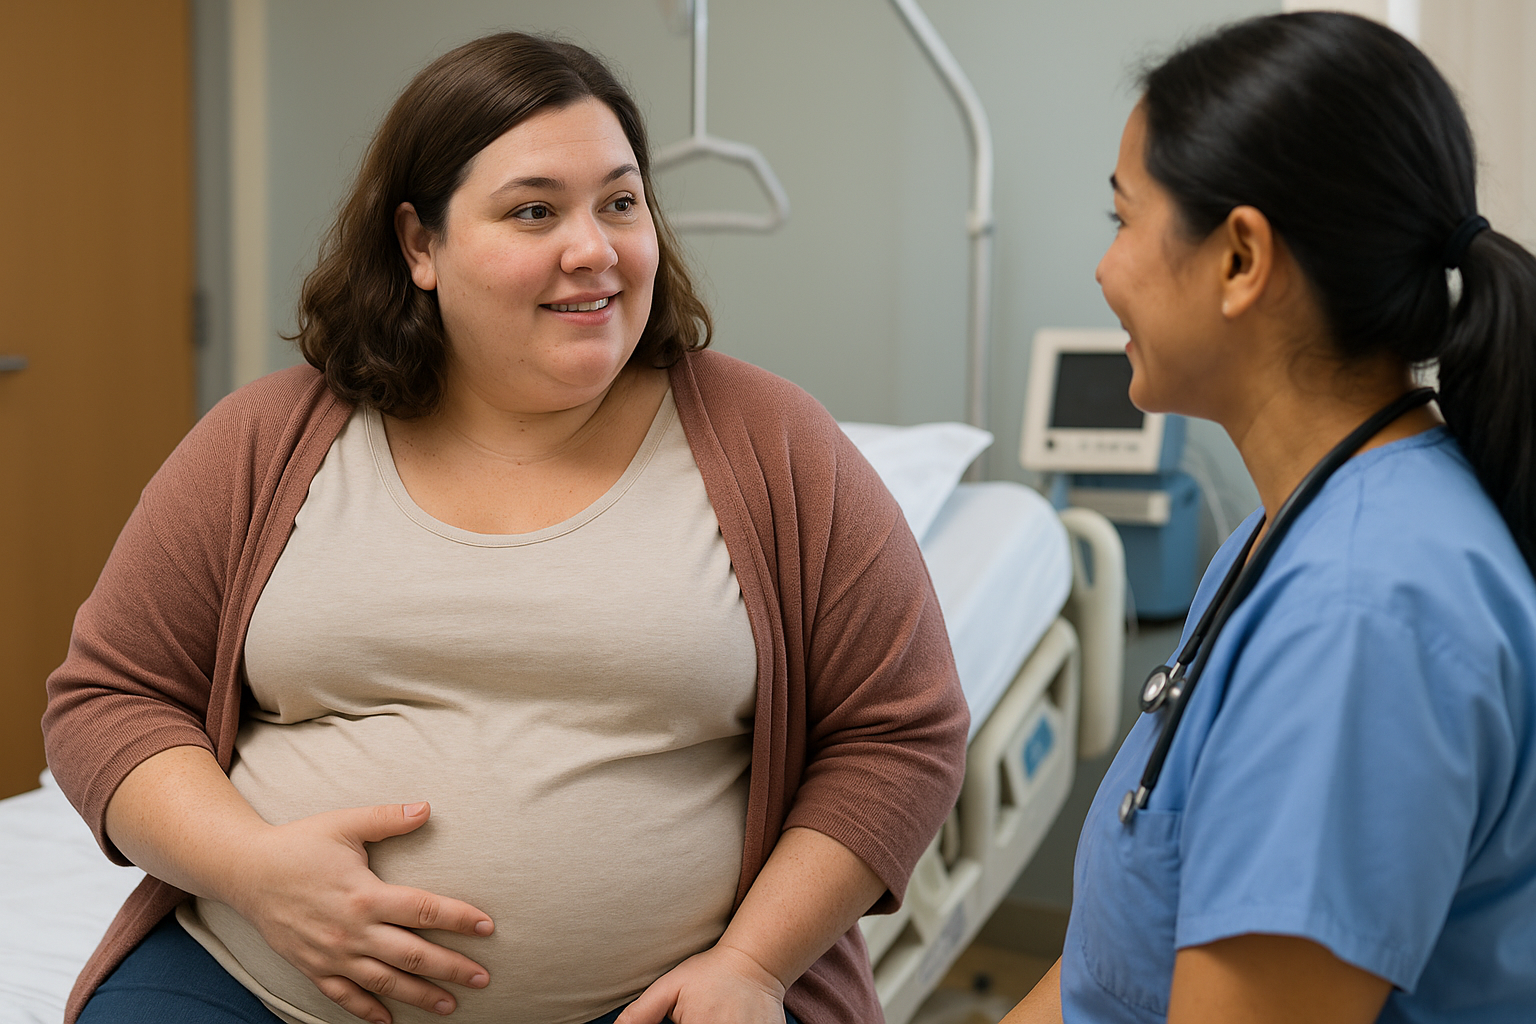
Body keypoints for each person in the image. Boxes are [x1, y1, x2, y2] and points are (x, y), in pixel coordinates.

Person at [42, 32, 969, 1024]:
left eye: (621, 201)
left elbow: (900, 733)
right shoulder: (267, 441)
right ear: (420, 245)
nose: (595, 248)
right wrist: (256, 870)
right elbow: (109, 700)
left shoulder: (773, 444)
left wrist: (751, 963)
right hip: (250, 985)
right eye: (536, 210)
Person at [1004, 12, 1536, 1024]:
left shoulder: (1361, 614)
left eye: (1124, 220)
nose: (1105, 270)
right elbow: (1097, 981)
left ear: (1242, 258)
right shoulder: (1290, 531)